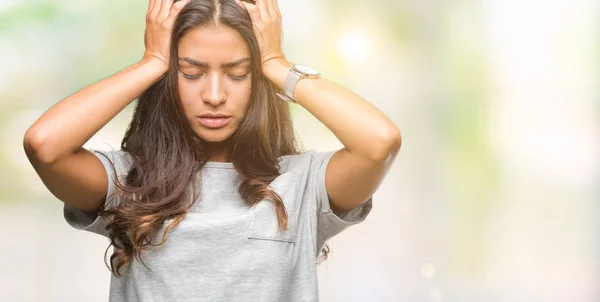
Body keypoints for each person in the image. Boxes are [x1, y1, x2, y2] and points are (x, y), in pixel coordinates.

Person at [23, 0, 401, 300]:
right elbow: (45, 146)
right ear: (169, 78)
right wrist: (151, 62)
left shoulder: (302, 186)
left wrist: (276, 63)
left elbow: (379, 142)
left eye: (238, 73)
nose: (215, 95)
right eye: (191, 73)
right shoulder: (129, 183)